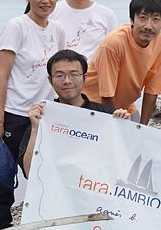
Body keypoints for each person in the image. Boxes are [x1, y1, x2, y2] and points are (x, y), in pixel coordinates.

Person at [0, 0, 67, 230]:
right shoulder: (16, 27)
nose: (45, 0)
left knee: (43, 177)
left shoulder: (58, 29)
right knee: (3, 181)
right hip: (11, 114)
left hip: (42, 116)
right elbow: (2, 76)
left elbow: (59, 74)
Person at [19, 49, 129, 177]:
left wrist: (125, 129)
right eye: (59, 75)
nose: (67, 81)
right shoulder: (42, 117)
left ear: (85, 78)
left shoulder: (107, 116)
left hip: (93, 186)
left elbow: (124, 165)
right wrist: (35, 129)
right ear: (50, 80)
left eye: (74, 74)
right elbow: (29, 172)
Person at [83, 0, 161, 125]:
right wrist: (112, 126)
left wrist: (142, 128)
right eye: (142, 18)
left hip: (124, 104)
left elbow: (152, 90)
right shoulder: (114, 43)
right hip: (91, 102)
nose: (148, 26)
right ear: (132, 19)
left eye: (156, 19)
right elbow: (107, 94)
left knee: (136, 130)